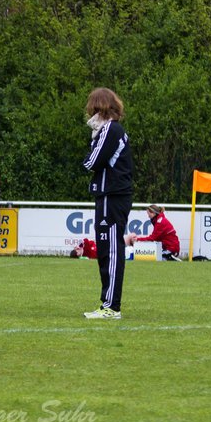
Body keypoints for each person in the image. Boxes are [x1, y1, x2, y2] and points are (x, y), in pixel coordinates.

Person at [81, 87, 134, 318]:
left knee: (111, 251)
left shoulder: (110, 130)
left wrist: (87, 160)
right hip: (109, 195)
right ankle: (107, 303)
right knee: (105, 250)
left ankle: (112, 306)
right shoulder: (108, 131)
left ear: (98, 106)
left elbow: (91, 162)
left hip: (113, 196)